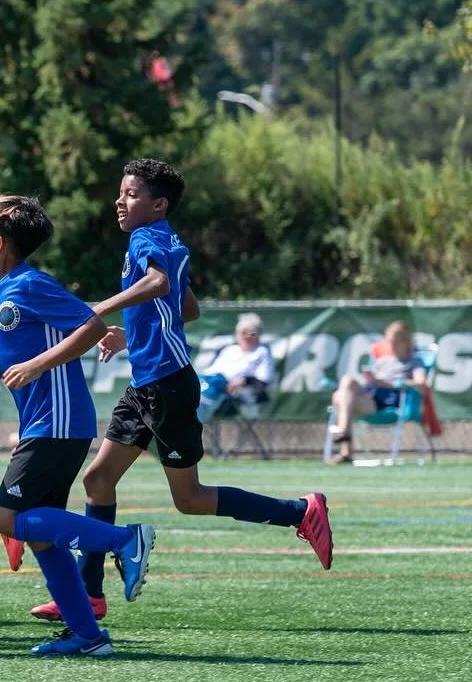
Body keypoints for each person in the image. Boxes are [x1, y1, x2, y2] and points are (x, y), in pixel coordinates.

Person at [49, 159, 331, 625]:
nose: (120, 201)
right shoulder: (167, 240)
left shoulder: (147, 238)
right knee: (98, 480)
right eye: (121, 192)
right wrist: (132, 334)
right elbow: (187, 307)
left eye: (131, 194)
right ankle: (89, 593)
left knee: (190, 499)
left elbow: (159, 285)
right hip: (148, 383)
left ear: (158, 204)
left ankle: (300, 512)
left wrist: (100, 309)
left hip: (166, 386)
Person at [0, 195, 155, 656]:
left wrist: (39, 364)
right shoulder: (1, 292)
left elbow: (93, 324)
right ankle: (87, 636)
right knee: (40, 535)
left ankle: (125, 540)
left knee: (6, 516)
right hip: (47, 423)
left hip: (56, 423)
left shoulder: (30, 284)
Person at [327, 320, 427, 464]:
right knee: (346, 383)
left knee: (339, 397)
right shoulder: (382, 361)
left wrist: (388, 383)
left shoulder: (414, 362)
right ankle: (344, 433)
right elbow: (367, 384)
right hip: (370, 397)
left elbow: (421, 383)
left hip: (387, 404)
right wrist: (370, 380)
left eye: (395, 342)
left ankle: (345, 448)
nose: (391, 346)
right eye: (389, 342)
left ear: (405, 342)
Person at [197, 312, 275, 423]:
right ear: (237, 334)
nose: (247, 337)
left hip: (232, 395)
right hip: (209, 383)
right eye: (244, 333)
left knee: (198, 402)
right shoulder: (230, 350)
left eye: (252, 334)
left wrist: (242, 382)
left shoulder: (261, 352)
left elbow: (263, 382)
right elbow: (212, 372)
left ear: (259, 336)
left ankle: (193, 421)